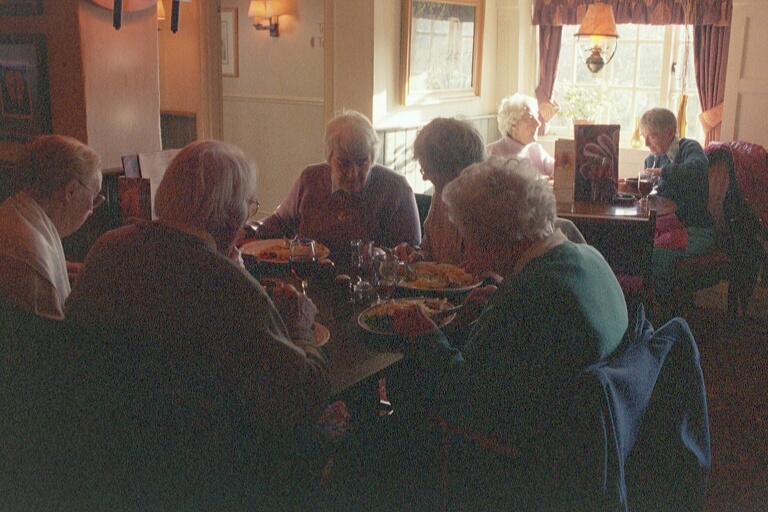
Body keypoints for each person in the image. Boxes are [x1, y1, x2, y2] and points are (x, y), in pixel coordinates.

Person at [65, 140, 330, 508]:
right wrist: (300, 327)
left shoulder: (107, 247)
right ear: (227, 215)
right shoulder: (225, 287)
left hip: (106, 455)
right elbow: (303, 396)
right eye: (246, 206)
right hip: (207, 474)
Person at [391, 156, 628, 507]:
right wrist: (495, 305)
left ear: (495, 237)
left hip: (530, 454)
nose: (468, 252)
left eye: (469, 241)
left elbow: (463, 396)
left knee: (402, 395)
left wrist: (427, 336)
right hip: (594, 434)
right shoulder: (586, 255)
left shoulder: (528, 295)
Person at [255, 110, 421, 257]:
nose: (353, 173)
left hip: (370, 285)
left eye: (362, 162)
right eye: (343, 163)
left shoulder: (396, 189)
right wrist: (249, 230)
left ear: (373, 157)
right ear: (329, 157)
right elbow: (280, 222)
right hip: (312, 281)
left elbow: (411, 253)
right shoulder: (310, 179)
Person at [0, 134, 102, 319]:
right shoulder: (33, 257)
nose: (91, 210)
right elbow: (56, 343)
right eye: (94, 198)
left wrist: (61, 267)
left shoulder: (11, 212)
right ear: (70, 191)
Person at [640, 107, 714, 309]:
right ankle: (639, 310)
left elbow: (698, 168)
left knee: (657, 256)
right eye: (644, 137)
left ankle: (665, 313)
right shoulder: (652, 158)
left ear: (670, 133)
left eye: (652, 137)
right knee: (635, 247)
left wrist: (662, 172)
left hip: (695, 230)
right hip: (667, 227)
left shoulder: (689, 148)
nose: (646, 143)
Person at [393, 117, 486, 265]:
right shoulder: (441, 195)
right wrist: (418, 256)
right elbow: (430, 249)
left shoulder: (487, 205)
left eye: (429, 171)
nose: (425, 178)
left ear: (454, 168)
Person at [486, 93, 555, 176]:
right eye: (530, 119)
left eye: (536, 117)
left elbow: (558, 170)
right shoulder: (494, 152)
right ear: (514, 126)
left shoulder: (536, 150)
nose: (538, 123)